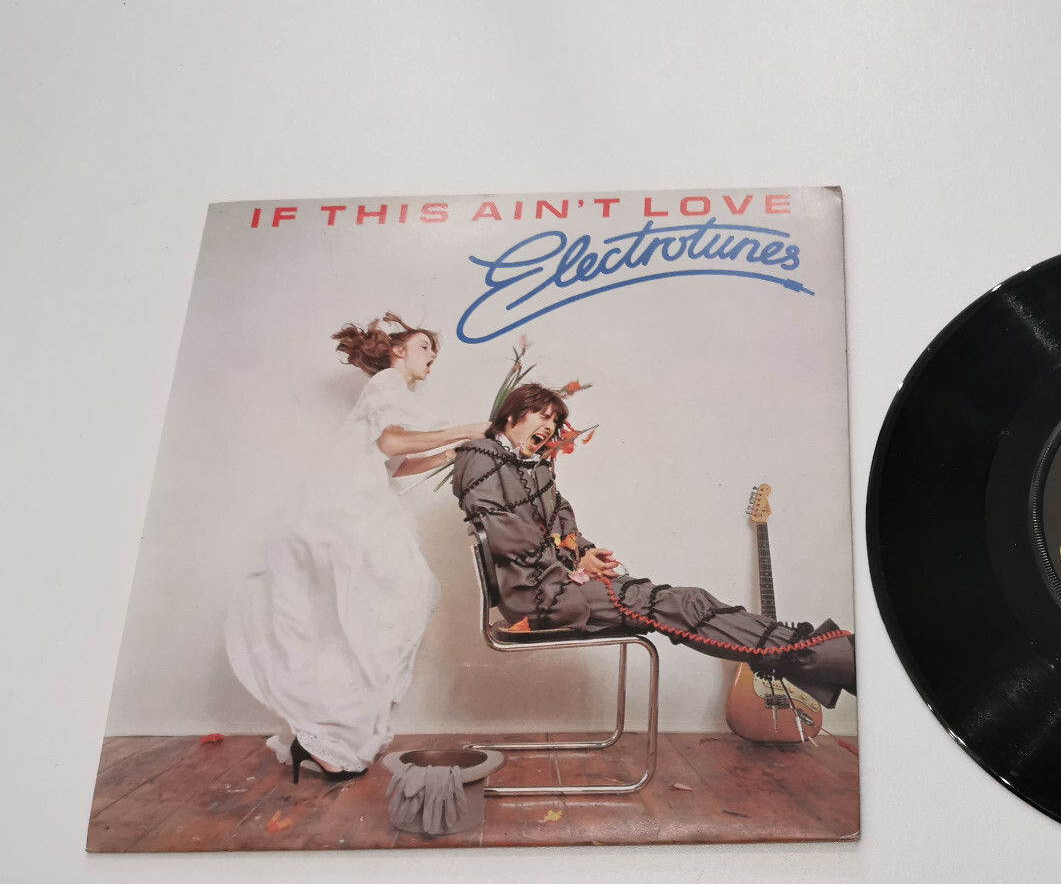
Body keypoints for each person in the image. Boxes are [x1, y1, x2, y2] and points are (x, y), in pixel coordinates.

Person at [451, 383, 855, 706]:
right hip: (537, 595)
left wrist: (585, 553)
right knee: (685, 604)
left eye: (555, 420)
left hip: (559, 581)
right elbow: (503, 531)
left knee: (690, 601)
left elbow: (562, 521)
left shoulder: (534, 468)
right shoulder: (480, 455)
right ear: (513, 413)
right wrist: (571, 565)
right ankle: (826, 656)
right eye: (543, 415)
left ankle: (822, 655)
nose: (550, 426)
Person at [226, 314, 487, 781]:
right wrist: (465, 430)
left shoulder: (392, 393)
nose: (432, 357)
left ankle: (327, 734)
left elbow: (394, 463)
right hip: (347, 510)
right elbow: (391, 443)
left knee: (366, 616)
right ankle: (326, 733)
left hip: (355, 507)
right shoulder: (388, 382)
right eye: (424, 347)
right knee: (383, 607)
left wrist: (453, 452)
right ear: (397, 351)